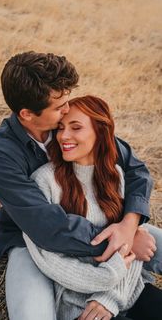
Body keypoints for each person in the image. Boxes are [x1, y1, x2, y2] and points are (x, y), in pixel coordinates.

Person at [0, 51, 161, 320]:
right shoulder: (0, 154)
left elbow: (135, 169)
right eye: (59, 107)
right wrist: (121, 243)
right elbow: (46, 227)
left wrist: (129, 224)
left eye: (67, 100)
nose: (67, 109)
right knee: (32, 315)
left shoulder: (69, 122)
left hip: (104, 220)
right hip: (29, 239)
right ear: (27, 114)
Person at [23, 95, 162, 320]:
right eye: (60, 128)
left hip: (127, 292)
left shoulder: (115, 175)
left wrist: (109, 297)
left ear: (100, 132)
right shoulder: (44, 181)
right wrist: (108, 276)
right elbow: (49, 260)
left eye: (75, 127)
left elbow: (132, 246)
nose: (63, 136)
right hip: (81, 306)